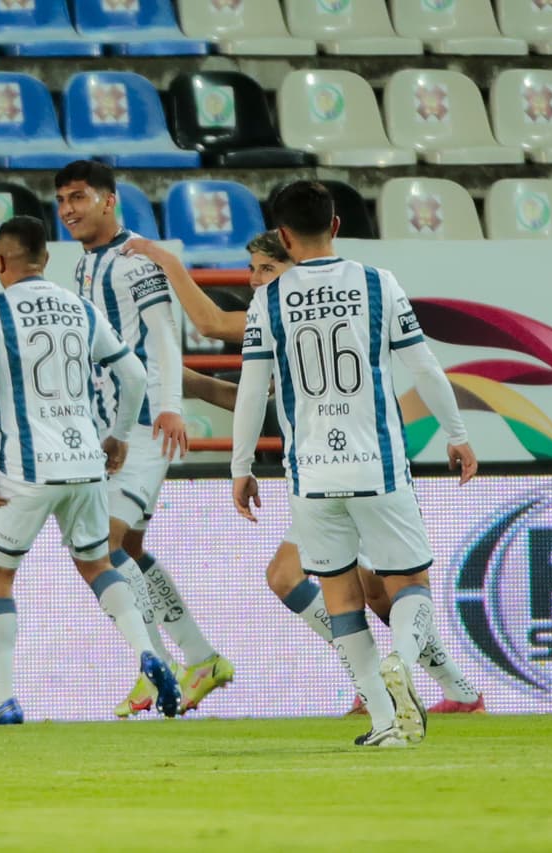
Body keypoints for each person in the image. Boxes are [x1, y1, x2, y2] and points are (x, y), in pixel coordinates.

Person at [126, 229, 484, 716]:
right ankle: (446, 689)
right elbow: (252, 394)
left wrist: (165, 259)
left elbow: (209, 324)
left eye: (265, 270)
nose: (255, 281)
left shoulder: (283, 305)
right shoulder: (321, 301)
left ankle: (397, 684)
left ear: (294, 261)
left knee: (357, 584)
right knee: (350, 585)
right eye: (251, 270)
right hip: (342, 466)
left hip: (339, 465)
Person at [230, 181, 478, 747]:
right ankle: (405, 664)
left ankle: (385, 721)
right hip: (379, 465)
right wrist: (457, 434)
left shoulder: (267, 300)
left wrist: (240, 468)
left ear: (285, 237)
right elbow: (424, 367)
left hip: (311, 473)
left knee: (340, 598)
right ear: (337, 225)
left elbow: (251, 391)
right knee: (409, 581)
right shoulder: (377, 282)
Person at [0, 217, 181, 725]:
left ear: (0, 261)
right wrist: (120, 435)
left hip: (27, 468)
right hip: (86, 463)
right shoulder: (79, 306)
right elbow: (133, 372)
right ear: (46, 260)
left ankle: (4, 700)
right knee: (99, 564)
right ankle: (148, 652)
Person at [54, 160, 233, 717]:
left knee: (101, 547)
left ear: (110, 200)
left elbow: (161, 337)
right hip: (113, 425)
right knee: (126, 549)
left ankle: (153, 667)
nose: (69, 210)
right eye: (62, 201)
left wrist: (174, 406)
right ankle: (201, 658)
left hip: (146, 424)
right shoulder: (86, 265)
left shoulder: (136, 261)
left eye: (79, 197)